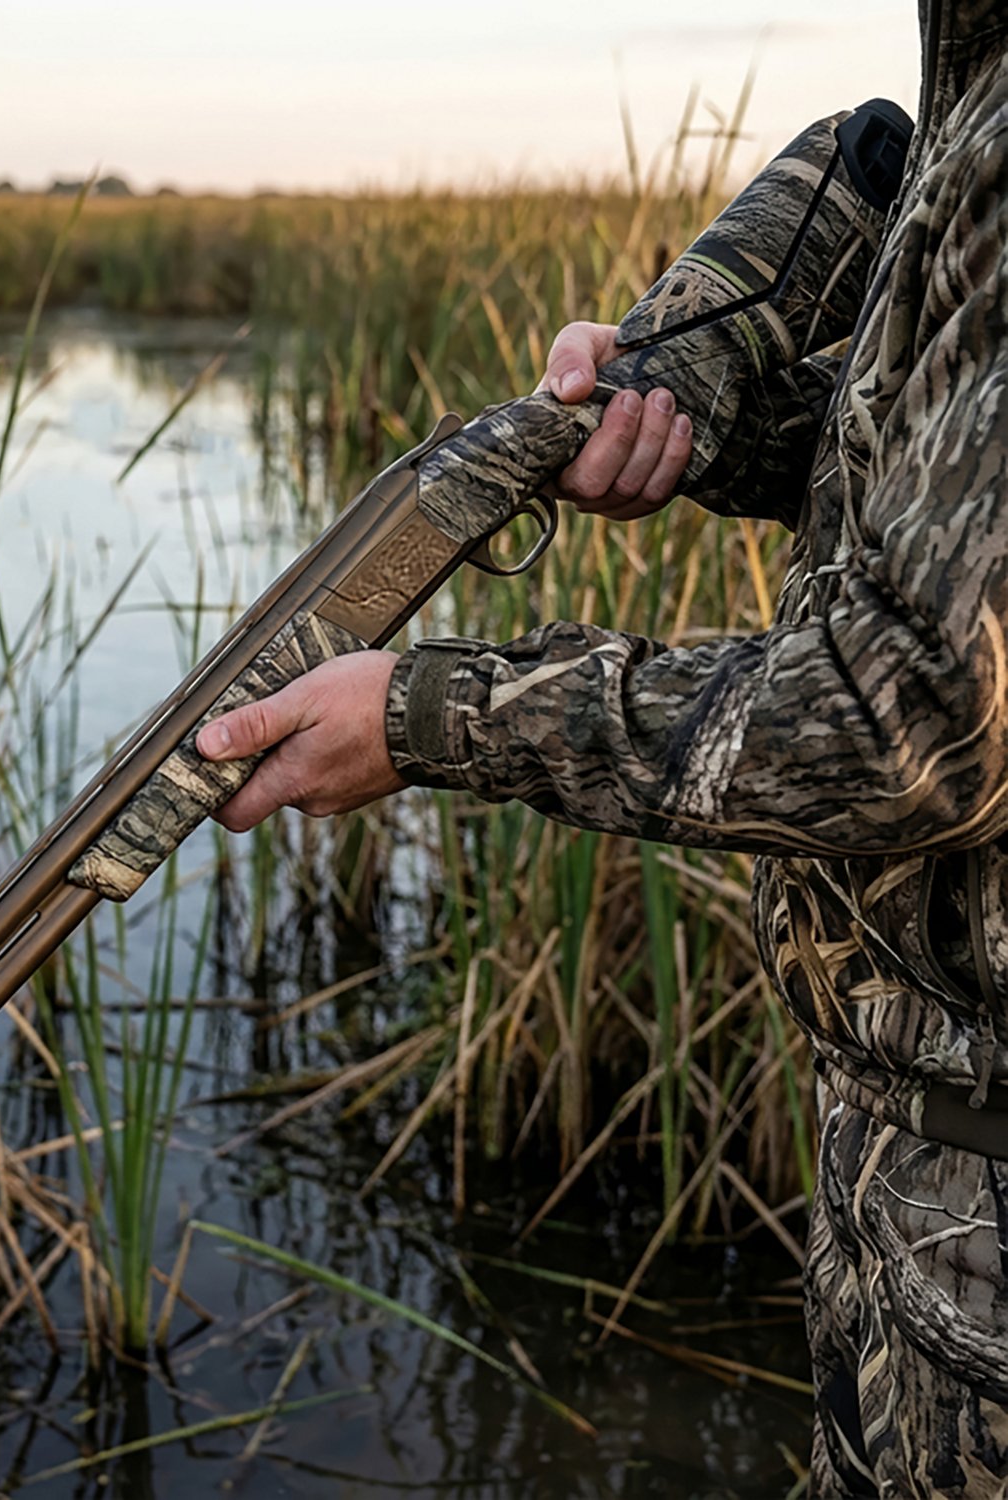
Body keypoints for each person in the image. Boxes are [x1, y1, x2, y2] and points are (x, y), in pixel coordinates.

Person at [193, 3, 1008, 1494]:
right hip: (911, 1152)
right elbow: (942, 505)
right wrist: (688, 412)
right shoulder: (968, 98)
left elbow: (923, 715)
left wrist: (431, 714)